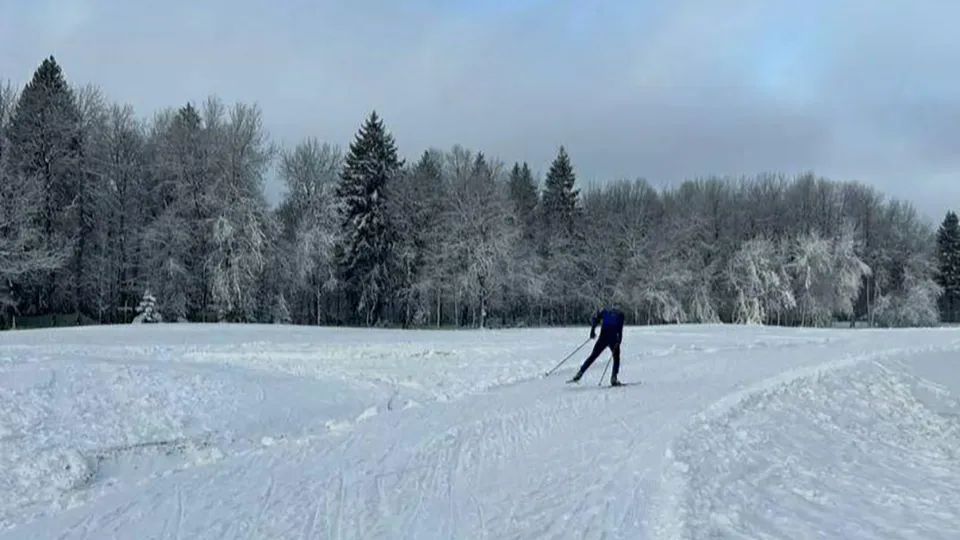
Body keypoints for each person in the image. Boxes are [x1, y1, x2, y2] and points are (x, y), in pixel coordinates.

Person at [567, 306, 625, 386]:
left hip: (603, 338)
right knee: (616, 358)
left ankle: (580, 373)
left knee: (593, 356)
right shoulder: (620, 314)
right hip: (613, 339)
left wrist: (592, 331)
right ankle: (614, 378)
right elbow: (620, 329)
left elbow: (596, 320)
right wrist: (619, 340)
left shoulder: (605, 311)